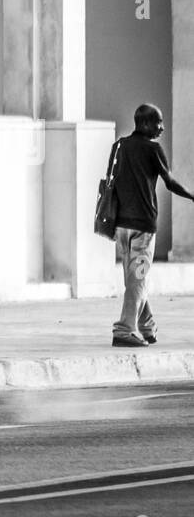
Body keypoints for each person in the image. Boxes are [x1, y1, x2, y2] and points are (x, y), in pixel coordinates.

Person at [110, 103, 194, 347]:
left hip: (121, 227)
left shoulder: (120, 146)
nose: (162, 127)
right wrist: (192, 196)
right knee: (139, 278)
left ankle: (147, 326)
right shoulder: (152, 149)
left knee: (134, 278)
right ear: (145, 124)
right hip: (144, 227)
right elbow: (169, 181)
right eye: (158, 122)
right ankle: (124, 329)